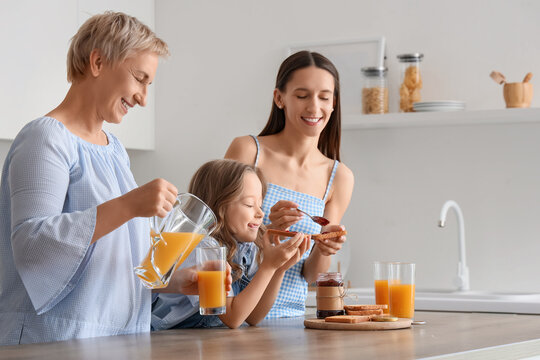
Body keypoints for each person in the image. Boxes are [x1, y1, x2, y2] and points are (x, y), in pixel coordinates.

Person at [0, 12, 231, 345]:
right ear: (97, 62)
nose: (143, 97)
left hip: (119, 341)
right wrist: (128, 205)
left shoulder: (115, 151)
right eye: (139, 78)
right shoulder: (46, 138)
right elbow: (32, 244)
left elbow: (110, 256)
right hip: (55, 342)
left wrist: (176, 281)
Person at [225, 51, 354, 318]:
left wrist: (325, 247)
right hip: (235, 315)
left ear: (334, 104)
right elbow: (217, 232)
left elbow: (312, 275)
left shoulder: (339, 176)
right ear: (279, 98)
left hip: (291, 320)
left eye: (324, 97)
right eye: (302, 95)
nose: (314, 107)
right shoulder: (248, 151)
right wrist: (268, 230)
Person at [152, 159, 310, 329]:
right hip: (165, 339)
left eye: (260, 204)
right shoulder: (203, 247)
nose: (260, 213)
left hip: (203, 338)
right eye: (250, 204)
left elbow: (253, 316)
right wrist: (269, 267)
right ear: (220, 207)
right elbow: (233, 317)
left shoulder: (245, 248)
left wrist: (279, 269)